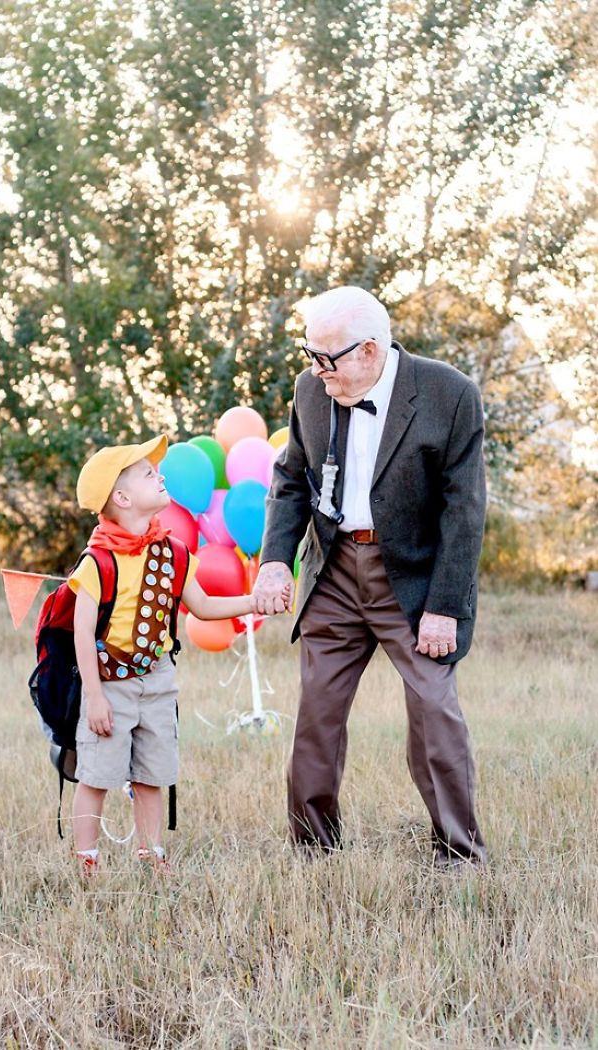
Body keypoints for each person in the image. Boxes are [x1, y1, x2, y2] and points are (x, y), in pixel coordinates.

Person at [253, 286, 487, 867]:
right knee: (316, 716)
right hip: (332, 571)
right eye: (308, 355)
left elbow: (465, 512)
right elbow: (289, 480)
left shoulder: (450, 395)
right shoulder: (313, 390)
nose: (314, 371)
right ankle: (314, 849)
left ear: (369, 351)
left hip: (412, 578)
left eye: (324, 358)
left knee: (434, 711)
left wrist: (445, 606)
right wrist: (276, 560)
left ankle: (459, 853)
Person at [71, 436, 286, 874]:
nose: (161, 474)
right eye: (149, 473)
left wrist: (253, 601)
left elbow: (203, 606)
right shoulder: (98, 561)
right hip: (110, 682)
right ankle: (86, 860)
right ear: (122, 497)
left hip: (159, 679)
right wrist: (94, 696)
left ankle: (151, 855)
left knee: (152, 774)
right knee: (97, 775)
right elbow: (81, 631)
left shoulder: (174, 553)